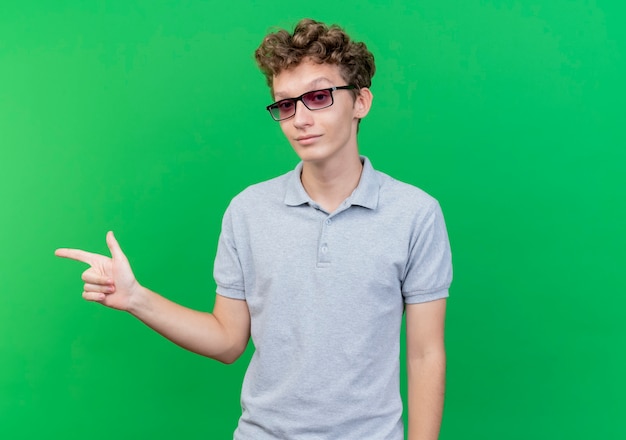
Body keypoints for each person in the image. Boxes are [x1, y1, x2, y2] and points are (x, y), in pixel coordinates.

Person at [55, 18, 452, 440]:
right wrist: (136, 298)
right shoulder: (248, 211)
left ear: (360, 102)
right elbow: (228, 340)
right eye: (285, 104)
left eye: (318, 96)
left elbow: (426, 355)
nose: (300, 119)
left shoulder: (415, 214)